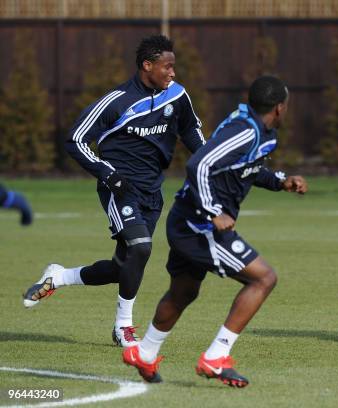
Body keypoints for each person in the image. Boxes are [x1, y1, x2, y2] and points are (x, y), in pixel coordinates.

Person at [122, 76, 307, 387]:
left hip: (185, 220)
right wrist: (213, 211)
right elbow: (200, 164)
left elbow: (241, 168)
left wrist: (279, 181)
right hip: (199, 224)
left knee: (184, 291)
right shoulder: (246, 131)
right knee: (263, 278)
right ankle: (216, 357)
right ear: (279, 108)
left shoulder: (253, 127)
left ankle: (145, 352)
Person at [22, 35, 206, 348]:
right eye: (167, 67)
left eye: (174, 67)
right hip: (119, 189)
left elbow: (190, 130)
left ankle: (59, 276)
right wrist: (109, 175)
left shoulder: (176, 95)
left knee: (124, 267)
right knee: (141, 248)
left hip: (152, 190)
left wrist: (206, 160)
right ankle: (123, 327)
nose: (173, 73)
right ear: (147, 66)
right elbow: (76, 140)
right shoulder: (117, 100)